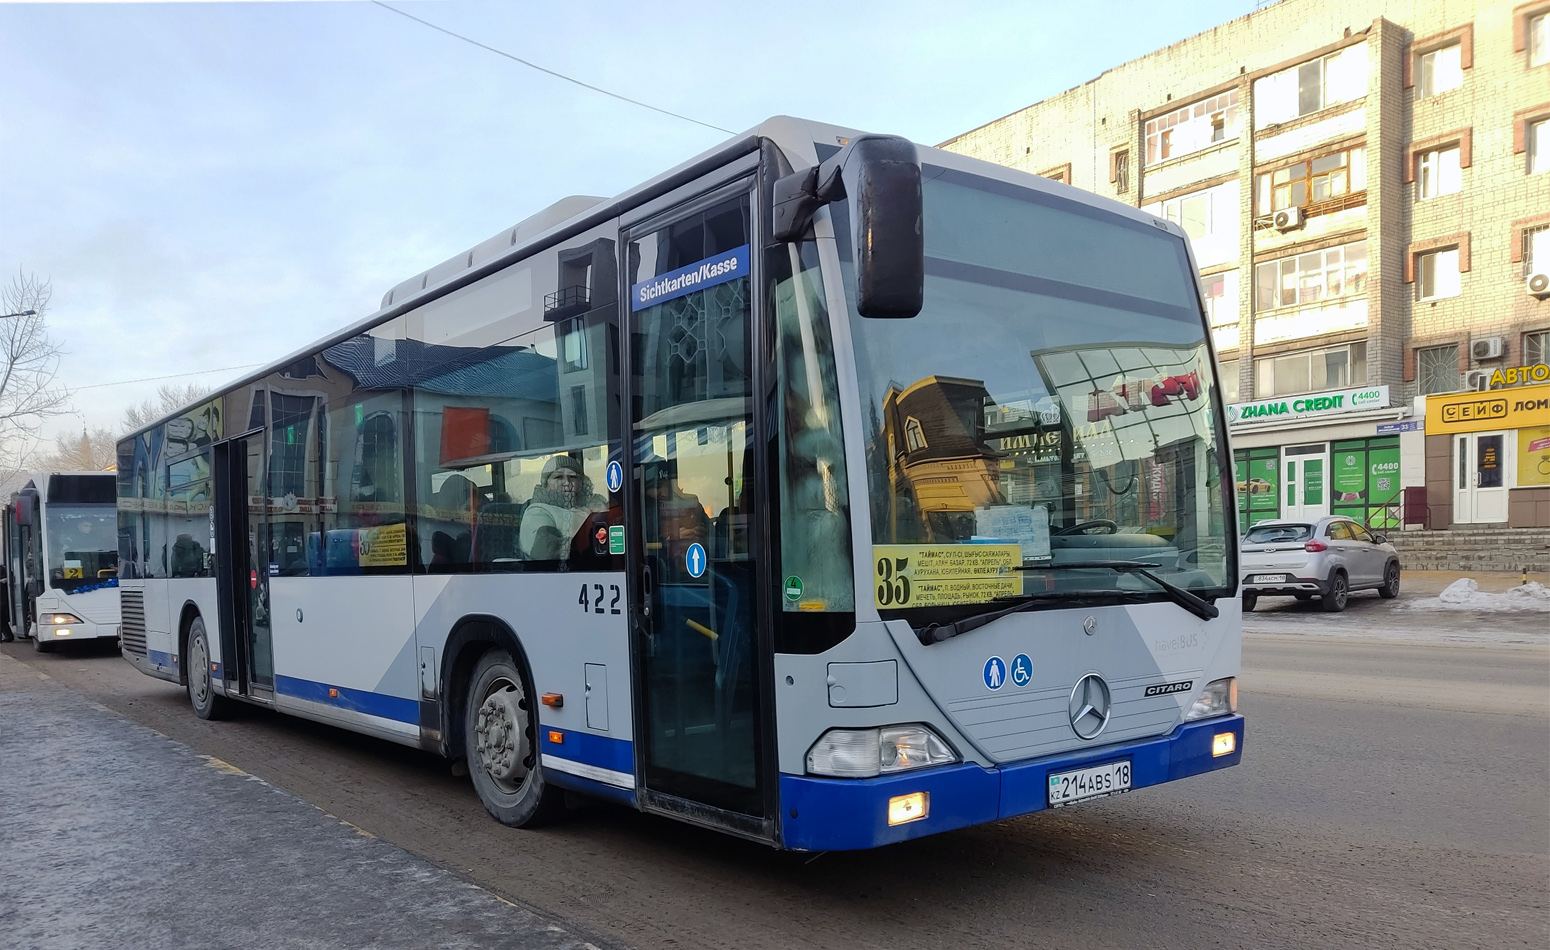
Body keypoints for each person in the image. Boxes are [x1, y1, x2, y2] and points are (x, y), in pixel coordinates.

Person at [520, 456, 603, 561]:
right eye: (558, 477)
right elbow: (547, 552)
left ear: (581, 483)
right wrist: (592, 544)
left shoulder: (596, 502)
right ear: (546, 483)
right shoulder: (537, 512)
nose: (566, 483)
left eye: (572, 477)